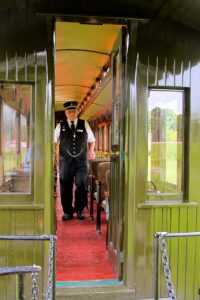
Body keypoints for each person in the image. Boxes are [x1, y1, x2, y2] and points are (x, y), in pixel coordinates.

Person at [54, 100, 96, 220]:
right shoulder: (60, 126)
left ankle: (80, 209)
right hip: (65, 161)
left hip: (81, 161)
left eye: (74, 111)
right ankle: (67, 211)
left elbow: (92, 140)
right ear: (66, 113)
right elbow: (53, 141)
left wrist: (91, 150)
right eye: (69, 111)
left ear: (77, 112)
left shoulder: (85, 124)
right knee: (65, 184)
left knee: (81, 184)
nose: (72, 113)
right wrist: (54, 156)